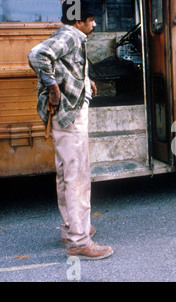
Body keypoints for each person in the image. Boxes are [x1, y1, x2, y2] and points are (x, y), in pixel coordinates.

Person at [28, 0, 113, 259]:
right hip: (71, 117)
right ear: (79, 21)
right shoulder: (71, 36)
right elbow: (37, 54)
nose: (95, 24)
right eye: (91, 20)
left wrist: (86, 82)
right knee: (77, 178)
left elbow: (67, 64)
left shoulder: (68, 34)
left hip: (66, 116)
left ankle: (71, 228)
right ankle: (78, 241)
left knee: (67, 173)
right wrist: (51, 86)